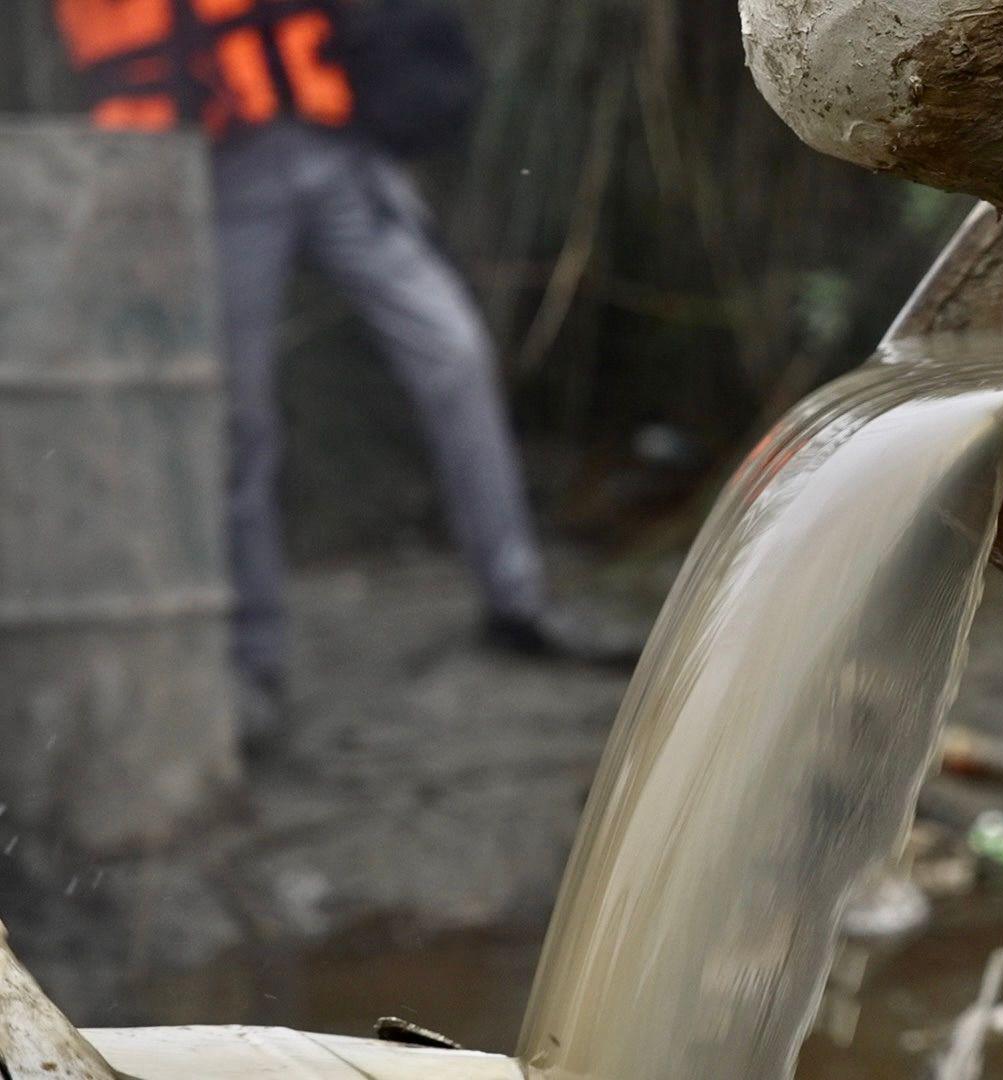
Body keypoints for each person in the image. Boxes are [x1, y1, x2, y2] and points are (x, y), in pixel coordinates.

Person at [52, 0, 623, 739]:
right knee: (237, 421)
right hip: (214, 171)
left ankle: (518, 600)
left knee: (454, 353)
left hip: (337, 148)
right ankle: (253, 663)